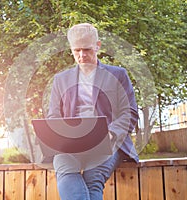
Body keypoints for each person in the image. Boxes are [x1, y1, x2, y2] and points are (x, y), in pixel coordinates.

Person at [47, 23, 139, 200]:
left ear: (98, 46)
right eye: (76, 51)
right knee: (63, 166)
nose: (81, 55)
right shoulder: (61, 80)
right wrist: (62, 136)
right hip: (72, 145)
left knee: (93, 177)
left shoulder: (118, 75)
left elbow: (130, 112)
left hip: (108, 144)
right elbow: (54, 116)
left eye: (87, 49)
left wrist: (110, 134)